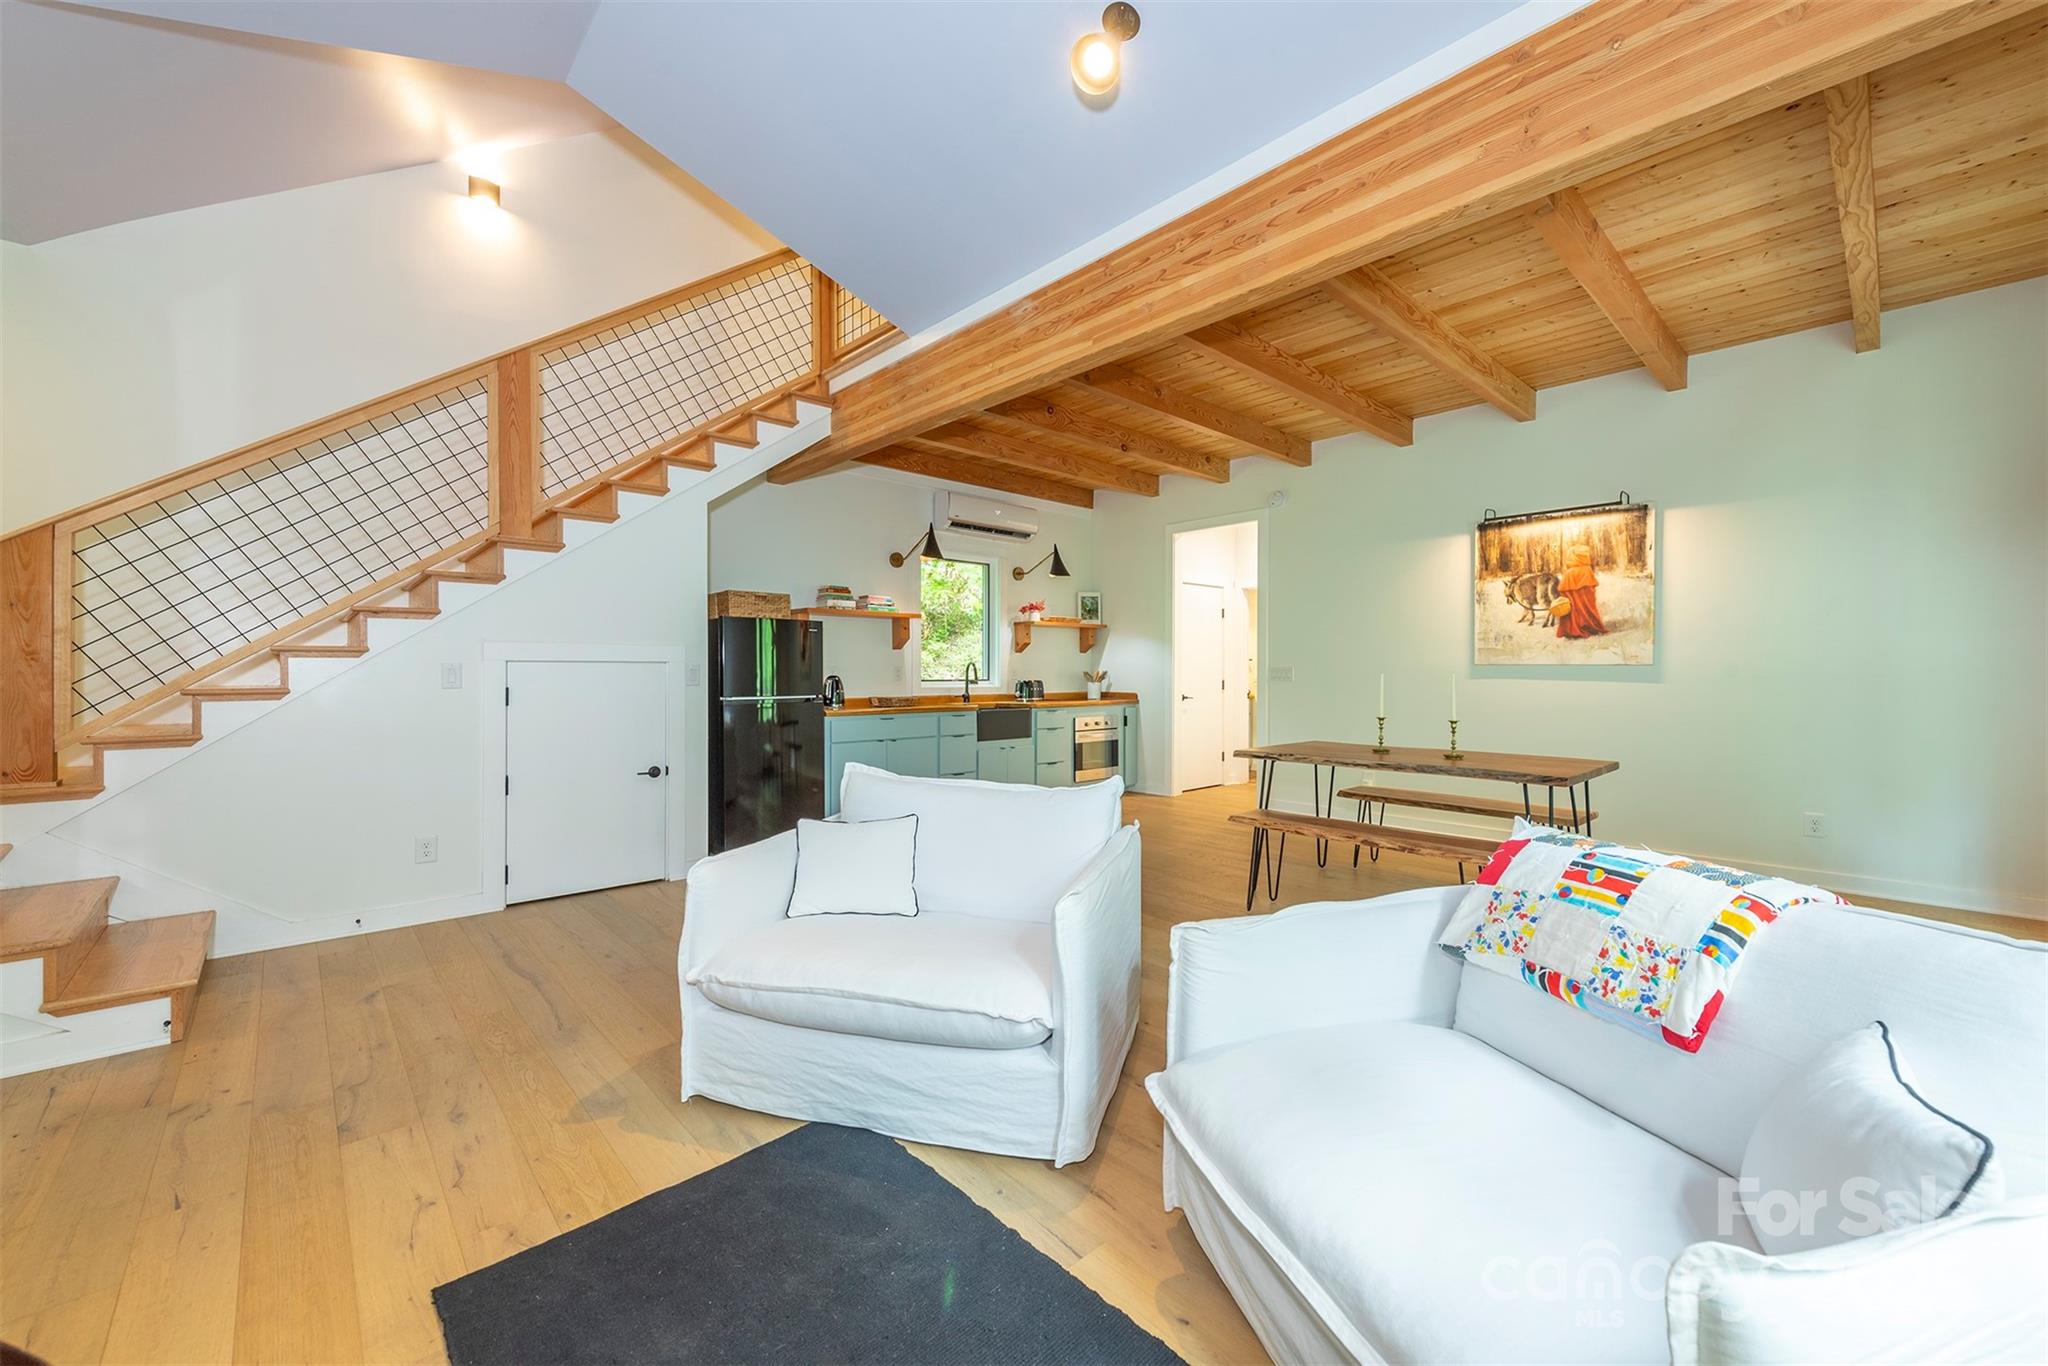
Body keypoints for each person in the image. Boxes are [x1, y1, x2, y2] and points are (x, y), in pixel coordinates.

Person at [1553, 542, 1607, 639]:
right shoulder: (1587, 570)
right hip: (1584, 582)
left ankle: (1573, 628)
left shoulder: (1569, 573)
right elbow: (1591, 590)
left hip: (1571, 579)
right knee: (1587, 607)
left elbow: (1564, 592)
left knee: (1573, 608)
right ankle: (1589, 625)